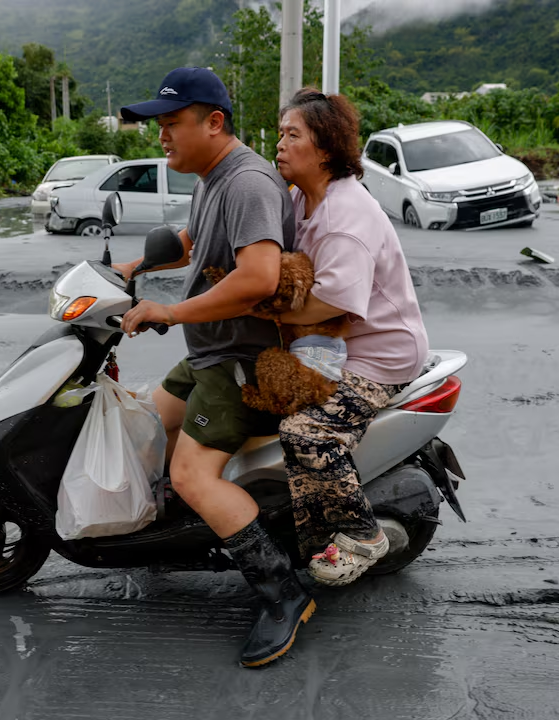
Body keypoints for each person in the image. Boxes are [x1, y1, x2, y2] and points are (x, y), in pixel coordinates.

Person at [114, 67, 313, 668]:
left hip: (241, 363)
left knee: (191, 476)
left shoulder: (247, 182)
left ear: (214, 122)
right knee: (146, 424)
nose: (162, 136)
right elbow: (194, 240)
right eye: (160, 125)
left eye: (172, 123)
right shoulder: (212, 179)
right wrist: (132, 269)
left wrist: (170, 310)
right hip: (209, 354)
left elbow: (259, 278)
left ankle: (283, 593)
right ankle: (182, 535)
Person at [273, 88, 429, 587]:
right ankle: (313, 537)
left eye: (292, 135)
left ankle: (363, 534)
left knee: (307, 433)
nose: (279, 144)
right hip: (331, 345)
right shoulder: (299, 198)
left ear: (324, 149)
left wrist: (257, 307)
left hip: (379, 353)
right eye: (280, 133)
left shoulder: (345, 217)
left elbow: (333, 301)